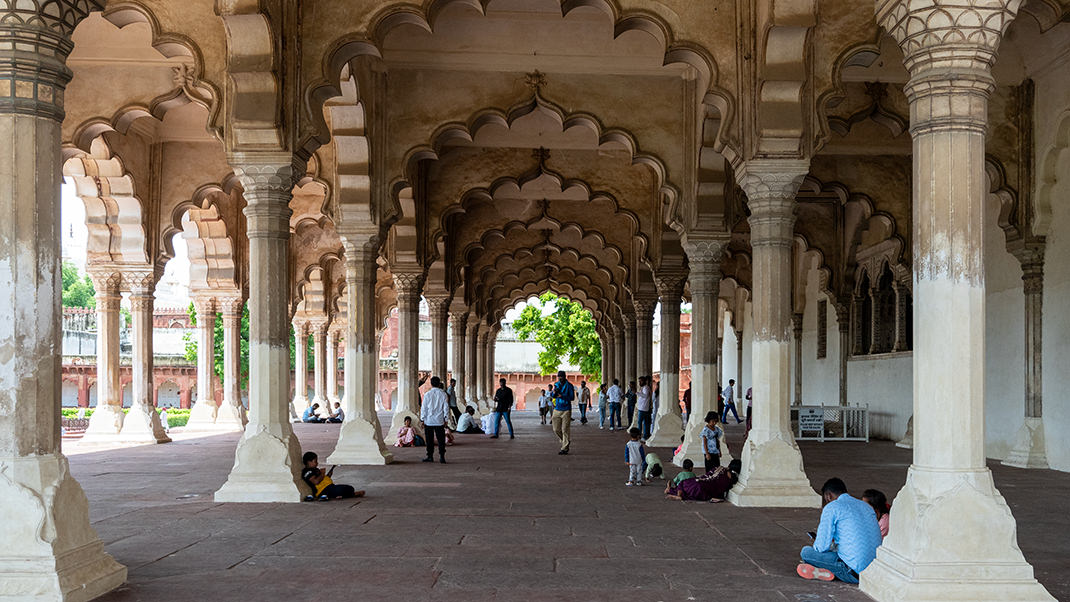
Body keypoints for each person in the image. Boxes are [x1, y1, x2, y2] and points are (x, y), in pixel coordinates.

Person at [797, 478, 882, 583]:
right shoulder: (866, 506)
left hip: (853, 573)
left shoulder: (832, 507)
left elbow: (821, 547)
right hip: (874, 571)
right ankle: (827, 571)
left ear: (828, 496)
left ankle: (830, 571)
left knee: (806, 552)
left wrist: (818, 544)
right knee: (837, 550)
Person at [665, 459, 741, 502]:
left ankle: (674, 491)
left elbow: (708, 474)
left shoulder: (720, 468)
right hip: (704, 487)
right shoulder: (730, 479)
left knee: (685, 484)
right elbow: (720, 489)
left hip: (698, 480)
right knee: (695, 492)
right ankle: (680, 495)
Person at [420, 376, 451, 463]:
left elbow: (424, 408)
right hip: (439, 420)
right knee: (441, 440)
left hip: (428, 421)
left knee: (429, 440)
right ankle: (442, 456)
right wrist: (446, 419)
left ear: (431, 384)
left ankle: (430, 456)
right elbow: (446, 408)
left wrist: (422, 419)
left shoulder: (427, 394)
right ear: (439, 383)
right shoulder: (443, 394)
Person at [550, 371, 575, 455]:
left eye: (561, 377)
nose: (560, 378)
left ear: (564, 377)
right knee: (556, 429)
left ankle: (564, 448)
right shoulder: (556, 385)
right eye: (558, 377)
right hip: (557, 409)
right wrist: (554, 393)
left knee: (565, 429)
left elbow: (572, 397)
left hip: (566, 410)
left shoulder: (569, 386)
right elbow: (552, 395)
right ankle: (565, 441)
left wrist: (562, 396)